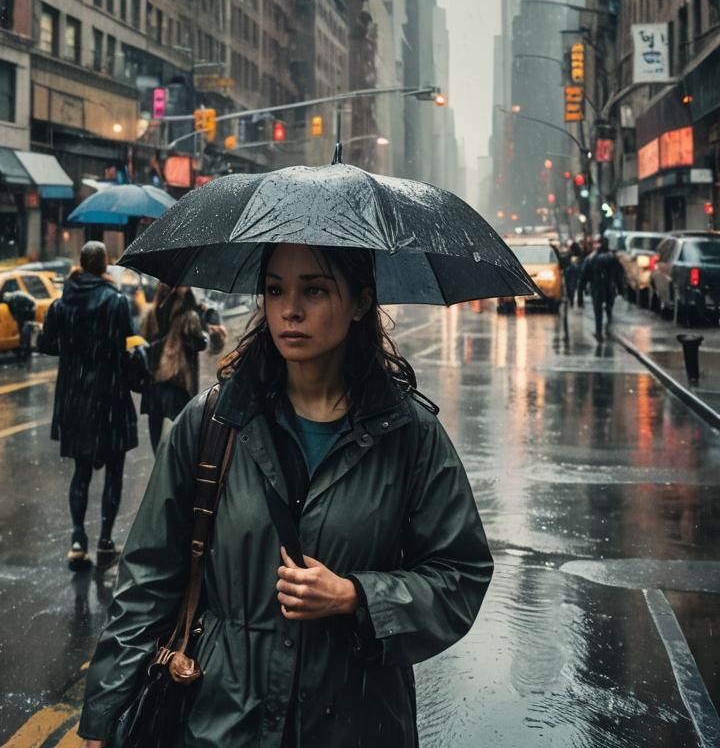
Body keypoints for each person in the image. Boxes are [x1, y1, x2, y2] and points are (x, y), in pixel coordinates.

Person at [78, 243, 493, 748]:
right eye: (275, 289)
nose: (289, 309)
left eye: (314, 289)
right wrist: (104, 715)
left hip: (356, 724)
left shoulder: (409, 435)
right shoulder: (212, 423)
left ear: (362, 303)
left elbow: (459, 575)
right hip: (221, 721)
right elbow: (147, 578)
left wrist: (356, 596)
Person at [38, 241, 137, 571]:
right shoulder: (116, 302)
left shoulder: (60, 304)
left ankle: (78, 540)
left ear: (80, 264)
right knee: (114, 473)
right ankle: (106, 539)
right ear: (105, 266)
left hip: (75, 400)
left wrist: (73, 346)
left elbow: (47, 345)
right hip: (110, 398)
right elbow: (128, 348)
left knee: (80, 473)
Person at [139, 283, 208, 454]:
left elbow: (143, 343)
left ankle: (160, 467)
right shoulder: (189, 316)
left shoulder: (150, 314)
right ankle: (176, 472)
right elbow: (199, 343)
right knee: (183, 433)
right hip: (178, 381)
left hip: (153, 381)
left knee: (156, 431)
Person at [580, 235, 626, 342]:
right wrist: (621, 290)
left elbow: (584, 277)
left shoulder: (591, 259)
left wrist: (580, 294)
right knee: (609, 307)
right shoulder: (612, 258)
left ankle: (599, 332)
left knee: (598, 311)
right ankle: (608, 327)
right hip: (609, 287)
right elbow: (618, 275)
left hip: (596, 288)